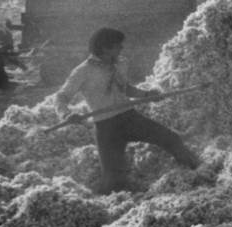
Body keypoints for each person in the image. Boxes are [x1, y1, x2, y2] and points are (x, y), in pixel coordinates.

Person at [52, 27, 202, 193]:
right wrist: (66, 114)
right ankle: (107, 202)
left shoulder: (121, 63)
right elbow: (61, 97)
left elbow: (125, 89)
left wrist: (146, 94)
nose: (122, 48)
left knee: (172, 139)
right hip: (106, 127)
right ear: (105, 48)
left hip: (130, 118)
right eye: (118, 46)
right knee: (113, 179)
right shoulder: (82, 71)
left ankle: (199, 173)